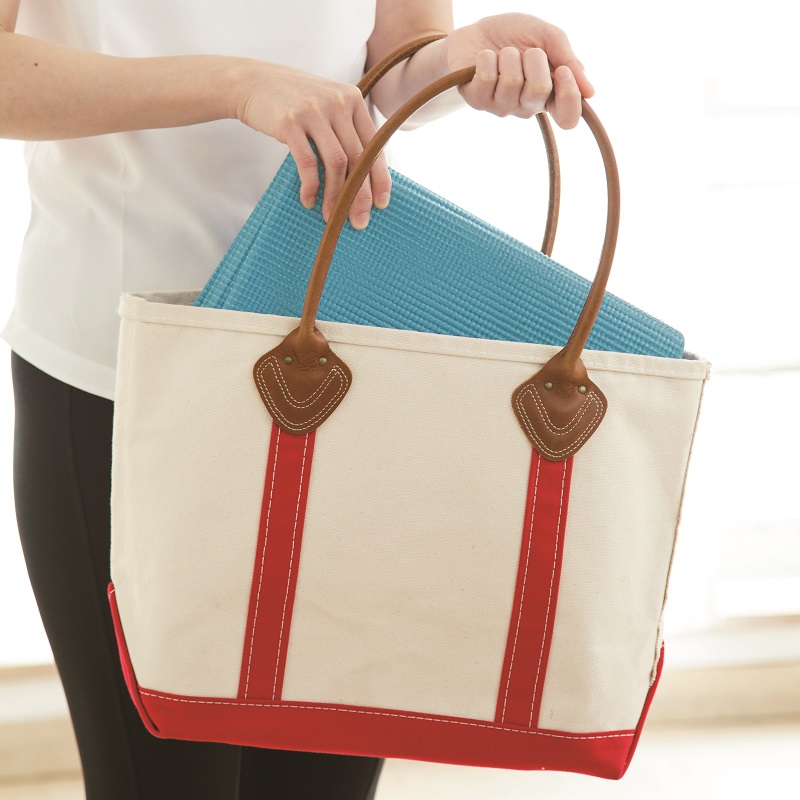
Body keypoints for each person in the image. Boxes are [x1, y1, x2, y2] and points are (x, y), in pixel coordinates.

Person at [0, 1, 593, 797]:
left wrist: (459, 61)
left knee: (322, 780)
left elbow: (393, 59)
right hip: (119, 368)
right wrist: (237, 85)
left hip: (341, 358)